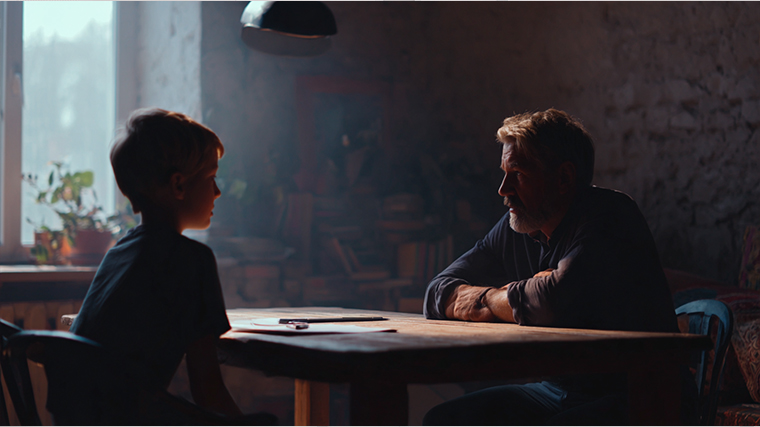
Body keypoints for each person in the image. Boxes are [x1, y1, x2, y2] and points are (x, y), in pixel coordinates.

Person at [423, 109, 694, 425]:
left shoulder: (611, 216)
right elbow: (436, 292)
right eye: (504, 172)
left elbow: (553, 299)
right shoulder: (520, 224)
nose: (503, 189)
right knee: (444, 420)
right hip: (560, 390)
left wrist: (493, 297)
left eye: (518, 174)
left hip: (641, 393)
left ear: (564, 178)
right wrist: (493, 298)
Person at [69, 108, 275, 425]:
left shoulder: (118, 253)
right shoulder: (192, 261)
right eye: (211, 178)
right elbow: (207, 389)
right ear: (178, 185)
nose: (218, 192)